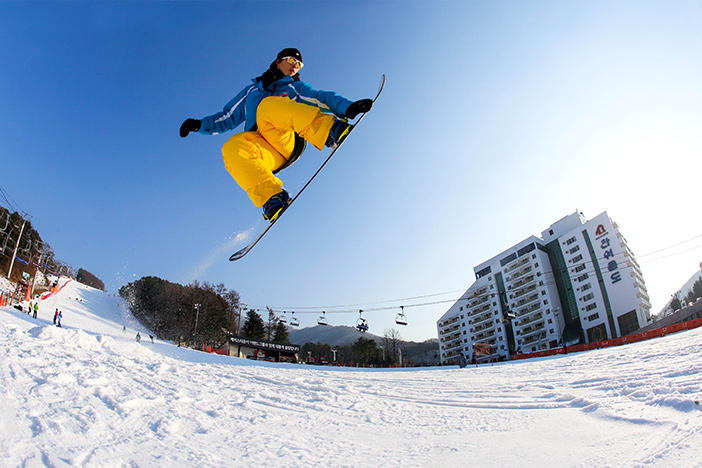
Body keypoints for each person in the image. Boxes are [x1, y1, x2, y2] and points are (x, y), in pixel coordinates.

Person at [180, 48, 373, 221]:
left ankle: (330, 131)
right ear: (278, 61)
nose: (295, 67)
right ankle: (272, 198)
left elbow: (320, 97)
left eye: (299, 65)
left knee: (268, 105)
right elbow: (227, 117)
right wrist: (199, 125)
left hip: (287, 141)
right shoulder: (252, 91)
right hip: (265, 151)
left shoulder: (294, 87)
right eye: (292, 61)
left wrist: (347, 107)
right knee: (232, 147)